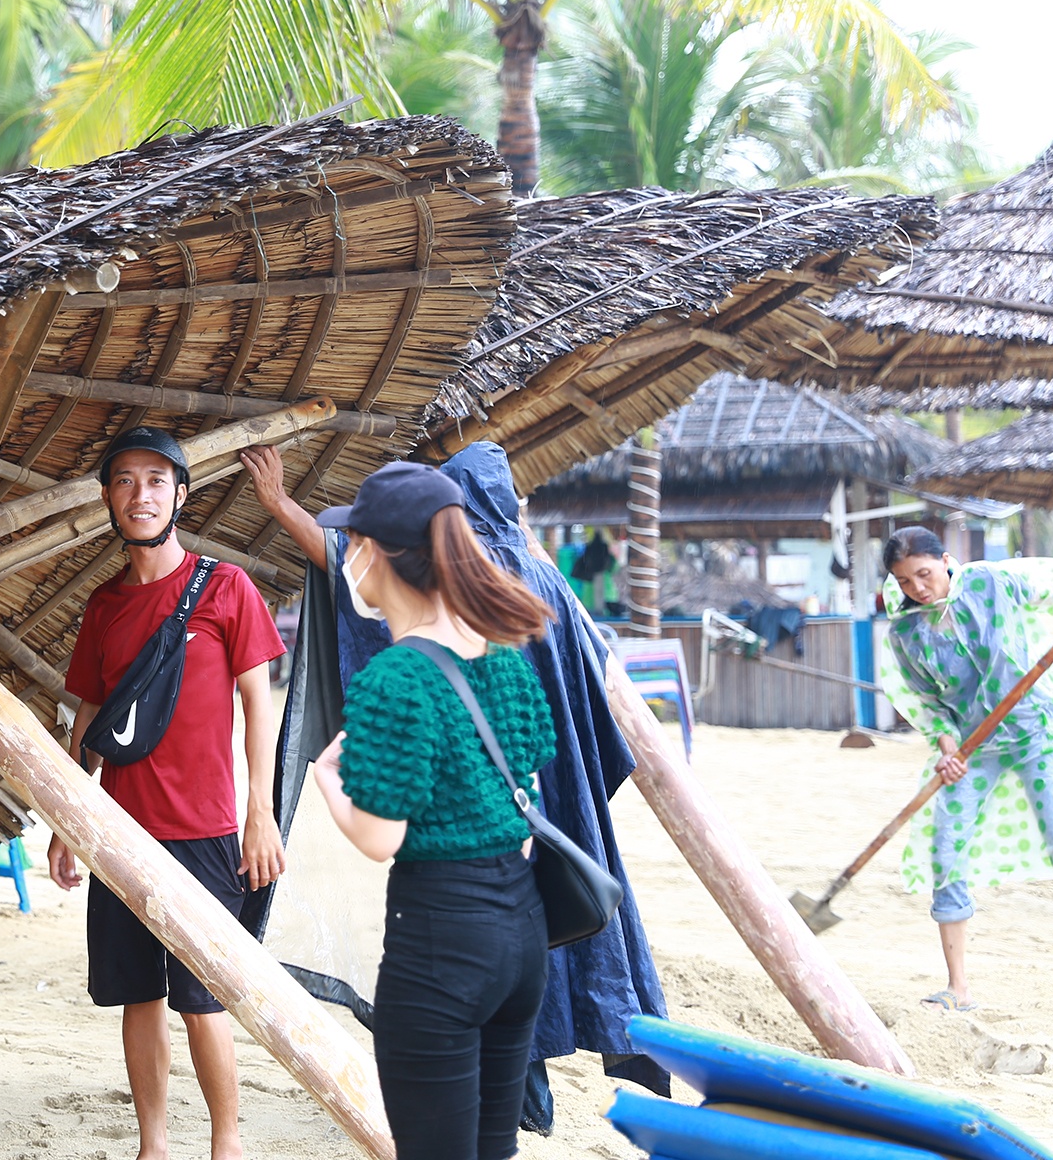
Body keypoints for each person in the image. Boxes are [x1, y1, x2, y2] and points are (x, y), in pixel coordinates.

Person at [242, 442, 669, 1130]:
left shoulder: (441, 608)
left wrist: (278, 503)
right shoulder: (541, 584)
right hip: (543, 830)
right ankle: (528, 1103)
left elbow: (342, 564)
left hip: (451, 887)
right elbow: (586, 705)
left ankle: (523, 1100)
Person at [307, 461, 556, 1160]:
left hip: (441, 941)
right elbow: (527, 794)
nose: (347, 556)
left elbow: (380, 837)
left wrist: (328, 780)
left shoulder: (394, 676)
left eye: (353, 542)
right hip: (522, 934)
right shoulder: (504, 658)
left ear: (377, 552)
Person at [51, 425, 287, 1160]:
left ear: (181, 495)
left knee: (201, 998)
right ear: (108, 498)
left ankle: (226, 1145)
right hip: (120, 833)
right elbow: (91, 717)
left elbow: (261, 703)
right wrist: (68, 818)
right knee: (137, 995)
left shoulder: (226, 587)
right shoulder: (103, 605)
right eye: (125, 481)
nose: (141, 494)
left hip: (207, 831)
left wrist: (260, 812)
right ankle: (152, 1146)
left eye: (157, 481)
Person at [878, 525, 1053, 1021]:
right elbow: (929, 703)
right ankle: (958, 988)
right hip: (974, 748)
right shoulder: (905, 633)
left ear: (945, 560)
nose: (918, 588)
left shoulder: (989, 582)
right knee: (945, 849)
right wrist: (946, 747)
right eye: (905, 581)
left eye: (924, 574)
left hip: (1038, 730)